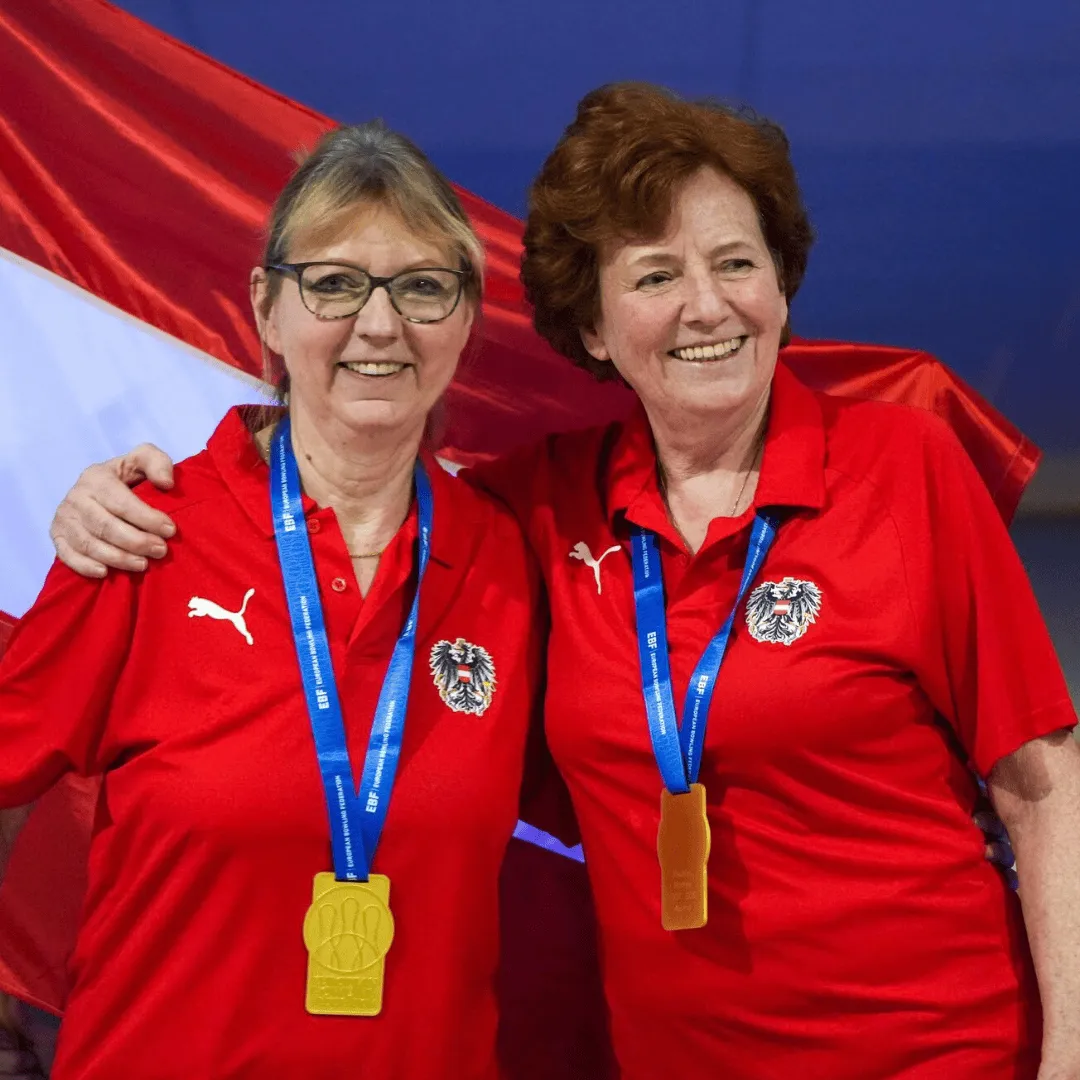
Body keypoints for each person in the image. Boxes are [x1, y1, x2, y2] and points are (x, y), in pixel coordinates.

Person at [48, 83, 1074, 1079]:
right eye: (656, 275)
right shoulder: (537, 515)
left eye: (735, 262)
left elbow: (1044, 784)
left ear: (781, 287)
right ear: (593, 328)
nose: (707, 304)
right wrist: (106, 495)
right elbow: (351, 484)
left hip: (937, 1048)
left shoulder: (905, 466)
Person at [0, 121, 555, 1079]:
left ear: (465, 318)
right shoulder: (146, 534)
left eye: (422, 286)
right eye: (334, 283)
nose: (379, 325)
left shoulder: (512, 562)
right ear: (266, 305)